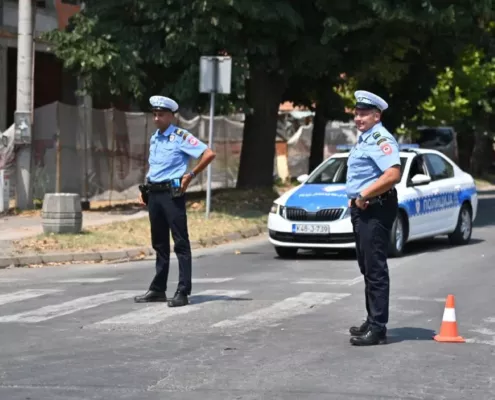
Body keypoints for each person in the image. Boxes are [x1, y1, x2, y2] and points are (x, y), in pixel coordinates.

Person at [134, 95, 216, 307]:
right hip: (154, 194)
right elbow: (155, 166)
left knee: (180, 243)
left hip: (172, 194)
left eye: (161, 114)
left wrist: (191, 175)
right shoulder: (155, 138)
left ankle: (183, 291)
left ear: (171, 116)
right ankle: (158, 289)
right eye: (154, 114)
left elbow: (208, 154)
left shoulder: (180, 136)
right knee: (159, 243)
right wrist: (145, 188)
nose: (156, 118)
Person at [345, 90, 401, 346]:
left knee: (375, 269)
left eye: (364, 114)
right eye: (357, 113)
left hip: (376, 208)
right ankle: (372, 318)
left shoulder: (380, 138)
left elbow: (393, 174)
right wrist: (355, 197)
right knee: (366, 267)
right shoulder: (364, 139)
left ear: (376, 116)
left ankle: (378, 327)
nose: (358, 118)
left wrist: (364, 194)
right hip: (363, 207)